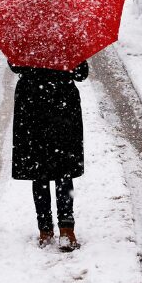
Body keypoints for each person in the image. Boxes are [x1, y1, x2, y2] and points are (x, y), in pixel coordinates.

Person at [8, 60, 88, 251]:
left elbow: (15, 65)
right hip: (63, 106)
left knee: (40, 171)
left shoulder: (27, 37)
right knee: (63, 170)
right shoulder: (68, 39)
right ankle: (66, 230)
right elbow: (81, 74)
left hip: (32, 107)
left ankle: (45, 230)